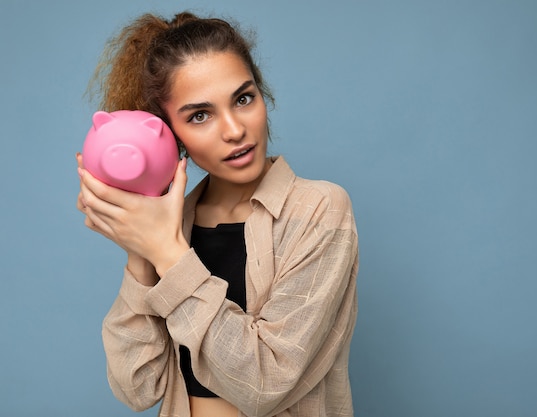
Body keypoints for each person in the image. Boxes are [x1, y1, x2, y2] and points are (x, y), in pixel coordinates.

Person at [76, 11, 359, 417]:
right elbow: (136, 388)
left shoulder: (319, 210)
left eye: (244, 98)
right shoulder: (174, 226)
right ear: (172, 136)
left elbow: (265, 385)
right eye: (200, 115)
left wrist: (169, 255)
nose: (233, 129)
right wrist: (140, 250)